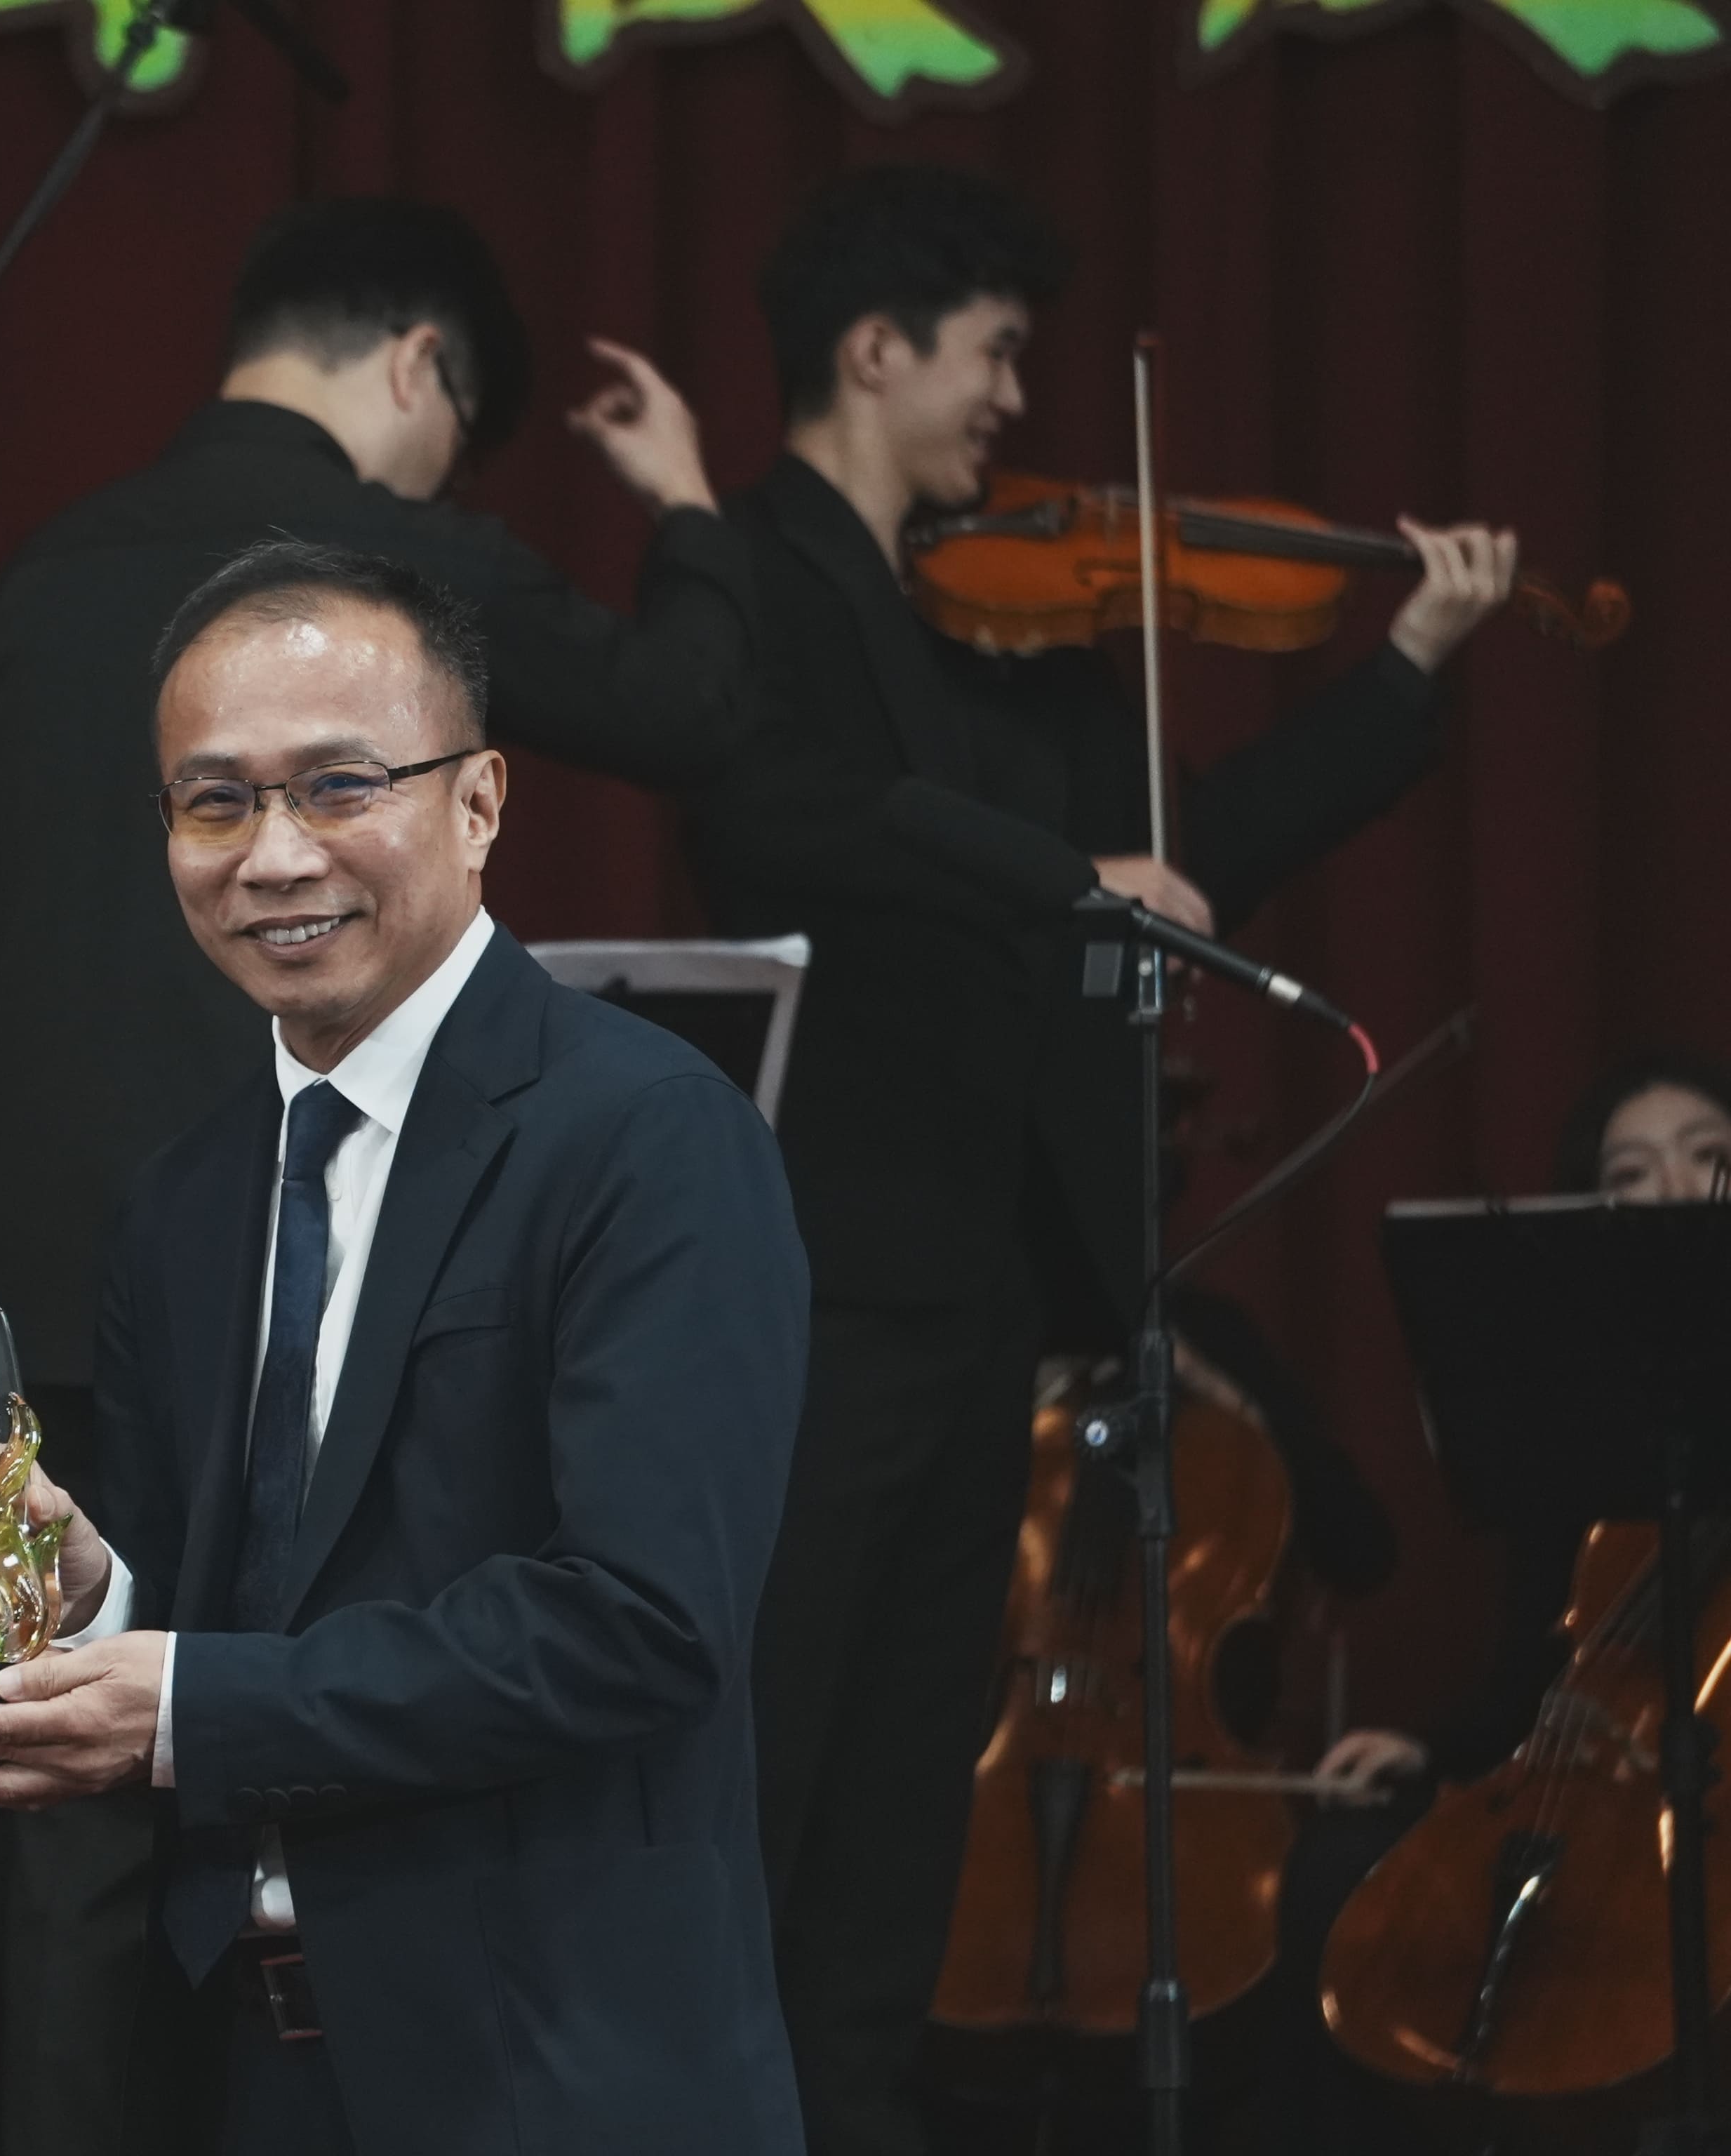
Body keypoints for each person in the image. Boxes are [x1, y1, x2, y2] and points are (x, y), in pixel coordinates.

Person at [674, 164, 1528, 2156]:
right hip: (821, 1264)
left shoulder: (1017, 632)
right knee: (773, 1756)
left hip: (993, 1275)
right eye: (991, 356)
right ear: (873, 351)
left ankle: (851, 2116)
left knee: (904, 1788)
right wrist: (1058, 871)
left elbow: (1185, 853)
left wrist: (1407, 667)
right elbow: (777, 821)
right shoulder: (748, 578)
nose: (1011, 401)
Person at [0, 195, 756, 2144]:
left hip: (551, 2075)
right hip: (250, 2066)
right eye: (213, 803)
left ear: (480, 801)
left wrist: (187, 1698)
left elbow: (640, 1622)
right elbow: (221, 1594)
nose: (273, 853)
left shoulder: (648, 1137)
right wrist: (97, 1591)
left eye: (339, 787)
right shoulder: (189, 1204)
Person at [1212, 1049, 1731, 2156]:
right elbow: (1534, 1681)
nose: (1674, 1191)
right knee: (1336, 1873)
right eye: (1631, 1174)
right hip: (1589, 1789)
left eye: (1708, 1159)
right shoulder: (1580, 1415)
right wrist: (1426, 1748)